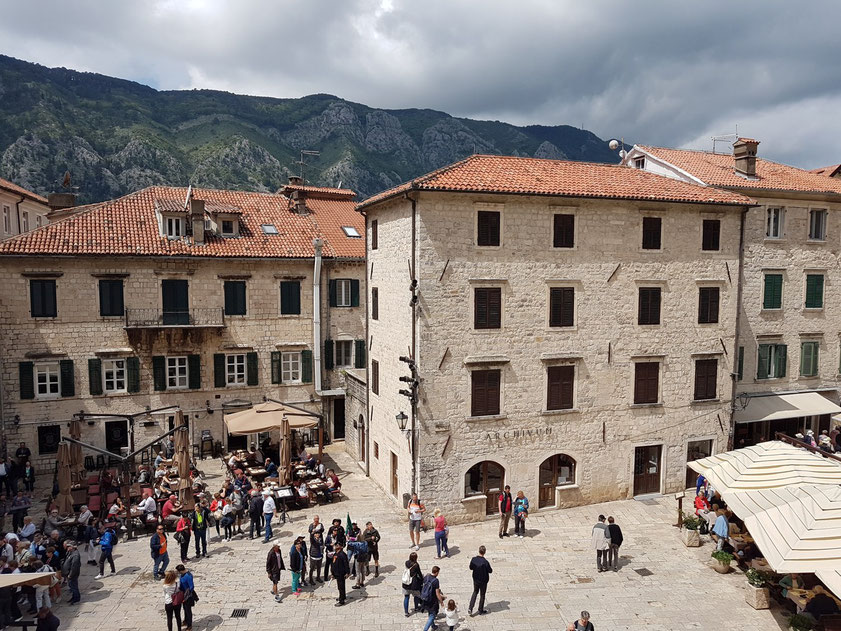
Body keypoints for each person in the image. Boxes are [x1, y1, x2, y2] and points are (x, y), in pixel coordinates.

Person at [468, 545, 492, 616]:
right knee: (482, 595)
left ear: (479, 551)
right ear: (484, 552)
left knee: (475, 592)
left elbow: (471, 567)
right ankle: (480, 610)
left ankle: (470, 608)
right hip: (483, 581)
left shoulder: (474, 559)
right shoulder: (485, 562)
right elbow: (490, 571)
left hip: (476, 579)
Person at [421, 565, 444, 631]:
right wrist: (441, 601)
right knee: (432, 615)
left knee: (430, 612)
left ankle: (433, 625)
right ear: (436, 572)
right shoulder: (436, 581)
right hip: (432, 601)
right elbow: (437, 593)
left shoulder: (427, 576)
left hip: (425, 598)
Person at [402, 551, 423, 617]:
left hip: (406, 583)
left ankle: (406, 612)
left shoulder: (406, 562)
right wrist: (422, 580)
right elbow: (419, 573)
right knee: (416, 596)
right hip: (414, 584)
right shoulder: (416, 565)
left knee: (406, 597)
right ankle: (416, 608)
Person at [176, 564, 195, 630]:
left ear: (181, 571)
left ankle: (189, 625)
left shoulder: (188, 576)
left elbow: (191, 587)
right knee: (184, 608)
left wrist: (186, 596)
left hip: (187, 596)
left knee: (188, 610)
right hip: (182, 593)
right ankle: (186, 620)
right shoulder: (182, 575)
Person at [332, 542, 350, 606]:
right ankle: (343, 596)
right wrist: (332, 573)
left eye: (337, 545)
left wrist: (347, 572)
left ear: (341, 547)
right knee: (340, 586)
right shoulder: (335, 554)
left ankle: (341, 600)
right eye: (335, 545)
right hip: (336, 573)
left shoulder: (342, 554)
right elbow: (333, 564)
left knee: (341, 587)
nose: (336, 546)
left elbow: (346, 564)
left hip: (341, 573)